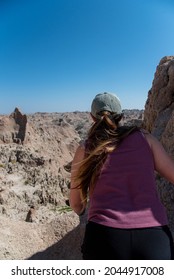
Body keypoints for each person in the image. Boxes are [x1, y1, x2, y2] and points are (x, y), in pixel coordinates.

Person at [69, 92, 174, 260]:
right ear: (121, 116)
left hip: (103, 236)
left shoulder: (85, 149)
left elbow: (75, 203)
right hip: (153, 238)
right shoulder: (146, 139)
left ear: (91, 117)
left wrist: (82, 210)